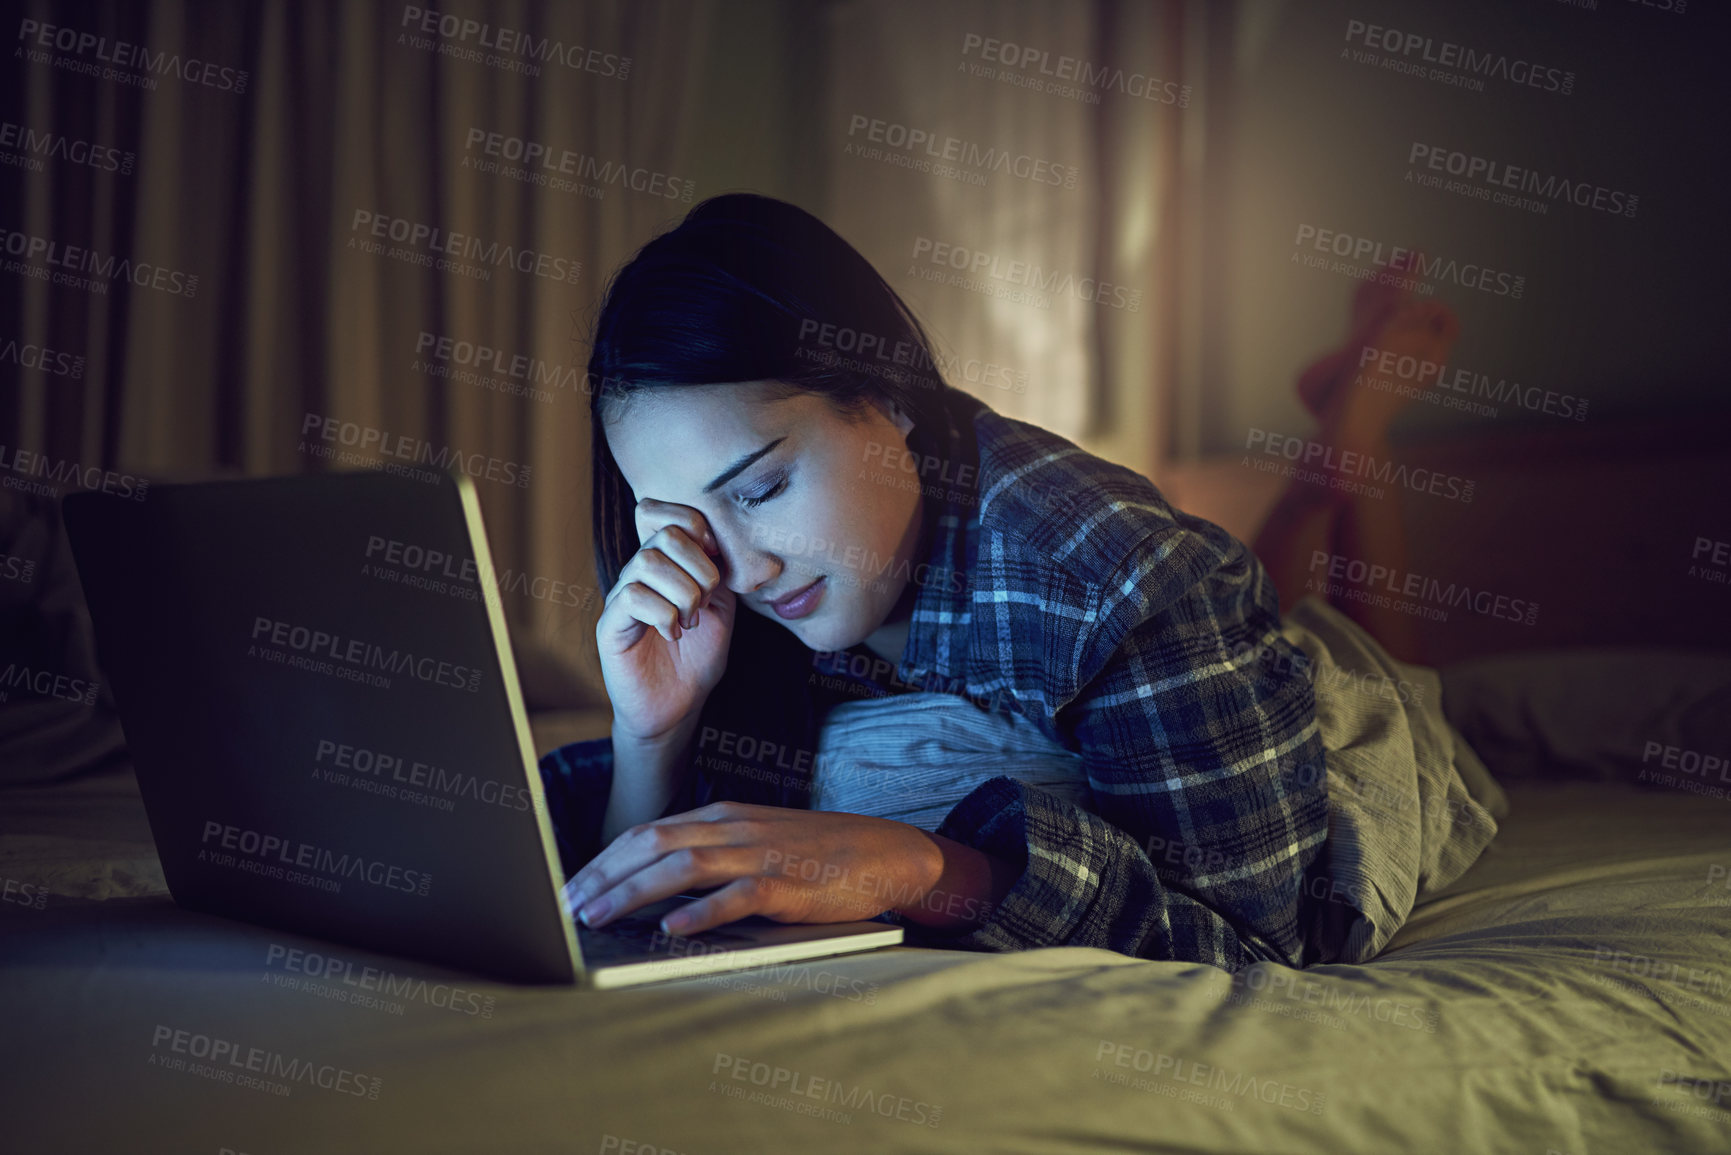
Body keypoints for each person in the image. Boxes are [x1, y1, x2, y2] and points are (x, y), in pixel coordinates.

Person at [541, 193, 1496, 973]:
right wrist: (651, 736)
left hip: (1330, 724)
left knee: (1379, 678)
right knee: (1274, 618)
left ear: (891, 400)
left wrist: (926, 869)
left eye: (761, 487)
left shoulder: (1116, 578)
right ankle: (1320, 467)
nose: (740, 569)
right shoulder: (713, 587)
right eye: (681, 518)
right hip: (1205, 638)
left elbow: (1254, 942)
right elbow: (641, 887)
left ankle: (1352, 435)